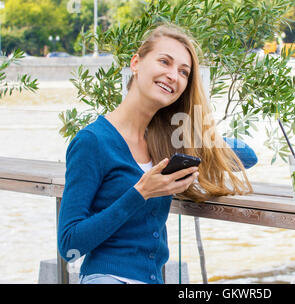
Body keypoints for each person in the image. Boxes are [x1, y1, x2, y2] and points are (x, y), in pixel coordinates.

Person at [57, 23, 258, 284]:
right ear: (136, 63)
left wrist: (193, 125)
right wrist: (141, 192)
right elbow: (69, 245)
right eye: (165, 61)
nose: (173, 75)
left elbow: (247, 157)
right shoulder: (92, 141)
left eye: (184, 72)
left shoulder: (167, 141)